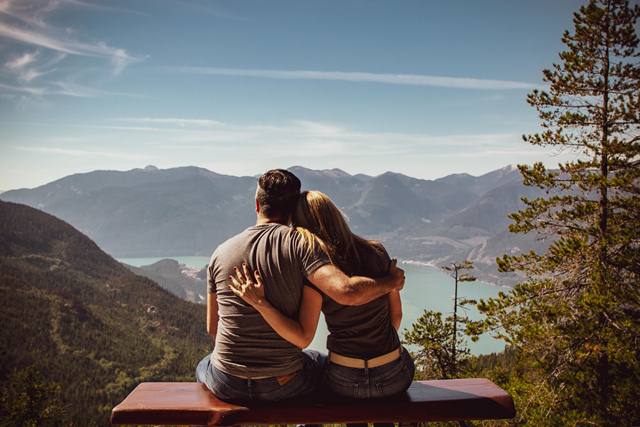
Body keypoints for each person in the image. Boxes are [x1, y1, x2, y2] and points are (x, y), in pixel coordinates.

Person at [196, 170, 405, 403]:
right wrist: (391, 282)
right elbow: (345, 293)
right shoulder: (302, 246)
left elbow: (213, 329)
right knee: (317, 362)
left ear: (257, 205)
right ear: (293, 208)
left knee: (204, 364)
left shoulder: (220, 253)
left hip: (227, 382)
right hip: (285, 383)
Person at [230, 190, 415, 426]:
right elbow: (395, 317)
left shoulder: (318, 274)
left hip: (345, 376)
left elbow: (304, 333)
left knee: (320, 375)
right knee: (392, 383)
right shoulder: (377, 252)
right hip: (392, 374)